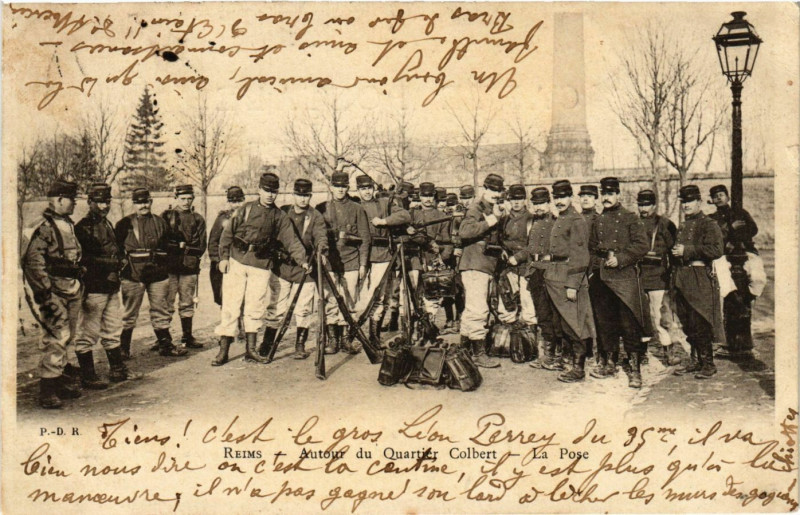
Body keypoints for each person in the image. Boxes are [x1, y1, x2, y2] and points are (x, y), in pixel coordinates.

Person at [213, 172, 308, 366]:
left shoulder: (279, 216)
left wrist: (303, 260)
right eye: (266, 190)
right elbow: (227, 234)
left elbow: (292, 241)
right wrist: (223, 258)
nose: (270, 195)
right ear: (259, 190)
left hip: (261, 265)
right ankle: (223, 351)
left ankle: (251, 350)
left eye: (274, 191)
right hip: (237, 261)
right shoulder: (246, 209)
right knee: (231, 305)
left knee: (254, 307)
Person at [23, 177, 85, 408]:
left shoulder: (67, 223)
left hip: (71, 287)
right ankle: (47, 390)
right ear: (59, 199)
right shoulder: (43, 226)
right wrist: (46, 294)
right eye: (72, 199)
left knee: (68, 337)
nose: (75, 203)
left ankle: (59, 381)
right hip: (53, 292)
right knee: (56, 337)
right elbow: (34, 263)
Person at [75, 183, 141, 389]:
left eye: (107, 201)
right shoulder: (83, 227)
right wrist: (111, 264)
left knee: (112, 329)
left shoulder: (107, 224)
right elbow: (83, 259)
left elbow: (114, 249)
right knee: (88, 333)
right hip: (94, 287)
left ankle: (117, 369)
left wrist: (121, 259)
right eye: (100, 202)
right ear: (90, 202)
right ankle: (88, 376)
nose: (104, 206)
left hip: (111, 285)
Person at [588, 177, 650, 388]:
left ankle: (635, 369)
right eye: (603, 194)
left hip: (624, 278)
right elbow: (592, 248)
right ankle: (610, 362)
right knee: (605, 323)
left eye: (610, 194)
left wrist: (621, 259)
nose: (606, 198)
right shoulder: (598, 220)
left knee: (629, 324)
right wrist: (597, 266)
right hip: (602, 278)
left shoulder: (630, 218)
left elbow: (642, 246)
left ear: (618, 195)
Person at [117, 188, 186, 358]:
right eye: (139, 203)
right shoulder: (124, 223)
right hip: (134, 274)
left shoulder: (160, 222)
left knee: (160, 310)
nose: (143, 206)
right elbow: (116, 249)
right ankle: (123, 349)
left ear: (151, 202)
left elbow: (170, 244)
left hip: (157, 273)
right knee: (130, 313)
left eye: (146, 202)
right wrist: (123, 266)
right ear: (134, 204)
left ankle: (165, 345)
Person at [264, 178, 328, 359]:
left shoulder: (315, 216)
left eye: (306, 195)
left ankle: (300, 344)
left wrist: (322, 251)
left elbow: (321, 236)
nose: (303, 199)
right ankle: (267, 343)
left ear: (310, 196)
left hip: (305, 269)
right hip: (283, 267)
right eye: (299, 195)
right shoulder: (283, 212)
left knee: (303, 308)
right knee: (276, 307)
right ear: (293, 195)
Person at [671, 185, 725, 378]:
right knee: (687, 322)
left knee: (700, 321)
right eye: (684, 201)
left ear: (699, 202)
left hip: (700, 278)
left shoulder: (708, 224)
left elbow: (717, 250)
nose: (686, 205)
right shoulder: (683, 225)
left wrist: (687, 250)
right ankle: (695, 361)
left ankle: (708, 364)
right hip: (682, 277)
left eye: (690, 201)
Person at [544, 180, 594, 382]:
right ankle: (567, 361)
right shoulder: (561, 218)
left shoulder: (576, 220)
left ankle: (578, 368)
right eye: (556, 197)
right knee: (561, 323)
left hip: (569, 277)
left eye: (563, 197)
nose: (559, 201)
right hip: (555, 275)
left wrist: (573, 284)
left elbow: (581, 256)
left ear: (571, 197)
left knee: (574, 323)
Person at [316, 172, 371, 354]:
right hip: (330, 262)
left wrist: (363, 264)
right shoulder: (322, 208)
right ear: (331, 187)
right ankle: (333, 339)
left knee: (350, 300)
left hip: (351, 261)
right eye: (337, 186)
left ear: (348, 187)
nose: (340, 189)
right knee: (331, 300)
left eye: (343, 186)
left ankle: (346, 338)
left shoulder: (357, 209)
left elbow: (365, 238)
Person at [457, 174, 508, 369]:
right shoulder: (476, 207)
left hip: (483, 264)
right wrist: (492, 220)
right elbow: (465, 231)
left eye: (498, 191)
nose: (496, 194)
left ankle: (464, 349)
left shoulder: (491, 207)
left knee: (471, 309)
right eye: (492, 190)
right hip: (475, 264)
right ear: (484, 189)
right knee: (479, 309)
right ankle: (478, 353)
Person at [355, 174, 410, 342]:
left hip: (381, 254)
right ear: (358, 190)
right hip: (359, 255)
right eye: (363, 189)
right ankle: (348, 336)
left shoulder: (384, 203)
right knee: (355, 298)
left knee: (381, 296)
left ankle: (374, 336)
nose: (366, 192)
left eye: (369, 188)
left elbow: (405, 216)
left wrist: (384, 221)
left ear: (373, 189)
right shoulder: (355, 206)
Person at [708, 184, 759, 360]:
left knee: (758, 277)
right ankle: (730, 341)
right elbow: (714, 237)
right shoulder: (712, 219)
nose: (719, 198)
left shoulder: (740, 213)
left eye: (722, 195)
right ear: (712, 200)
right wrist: (730, 228)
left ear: (728, 197)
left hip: (745, 253)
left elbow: (753, 229)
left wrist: (739, 236)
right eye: (715, 196)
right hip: (724, 256)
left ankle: (748, 300)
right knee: (726, 289)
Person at [636, 189, 682, 365]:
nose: (643, 208)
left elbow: (674, 252)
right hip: (638, 278)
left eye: (647, 204)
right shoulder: (634, 223)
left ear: (654, 205)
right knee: (640, 317)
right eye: (640, 205)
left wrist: (672, 277)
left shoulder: (665, 224)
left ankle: (668, 352)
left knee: (660, 317)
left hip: (658, 278)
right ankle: (641, 353)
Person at [162, 184, 207, 349]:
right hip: (170, 267)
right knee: (167, 302)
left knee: (187, 302)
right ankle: (163, 338)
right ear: (176, 198)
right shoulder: (166, 216)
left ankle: (187, 336)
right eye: (182, 198)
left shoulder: (197, 219)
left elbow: (201, 246)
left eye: (189, 198)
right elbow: (161, 241)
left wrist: (186, 250)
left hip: (189, 267)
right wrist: (174, 248)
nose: (186, 202)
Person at [405, 182, 453, 327]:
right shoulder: (412, 214)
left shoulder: (442, 216)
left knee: (432, 296)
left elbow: (447, 241)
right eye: (424, 196)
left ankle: (429, 325)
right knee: (412, 292)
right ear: (419, 196)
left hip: (433, 259)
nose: (428, 199)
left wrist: (441, 256)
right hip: (415, 258)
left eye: (430, 196)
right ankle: (412, 326)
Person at [526, 187, 559, 369]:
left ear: (549, 203)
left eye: (541, 203)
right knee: (541, 314)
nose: (538, 207)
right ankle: (547, 354)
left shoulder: (556, 222)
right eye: (535, 204)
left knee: (552, 314)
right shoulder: (532, 222)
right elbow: (529, 248)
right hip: (535, 272)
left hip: (550, 271)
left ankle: (555, 354)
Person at [500, 184, 537, 331]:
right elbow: (500, 240)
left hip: (525, 264)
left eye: (520, 199)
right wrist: (502, 251)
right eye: (513, 199)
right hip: (508, 265)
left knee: (527, 297)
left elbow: (534, 245)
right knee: (506, 295)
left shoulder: (531, 219)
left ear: (525, 200)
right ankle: (509, 326)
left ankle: (530, 328)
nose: (516, 202)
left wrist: (519, 257)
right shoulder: (504, 220)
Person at [208, 186, 245, 307]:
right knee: (225, 297)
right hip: (226, 262)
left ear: (244, 200)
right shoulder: (222, 219)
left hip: (243, 262)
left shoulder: (249, 217)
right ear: (228, 202)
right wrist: (218, 261)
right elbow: (213, 241)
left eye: (239, 201)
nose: (237, 205)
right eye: (233, 202)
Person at [441, 193, 465, 334]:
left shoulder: (459, 218)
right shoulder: (443, 218)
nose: (450, 208)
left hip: (458, 257)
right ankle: (449, 318)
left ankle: (458, 318)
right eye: (448, 205)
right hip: (446, 257)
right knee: (446, 288)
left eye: (452, 205)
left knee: (459, 289)